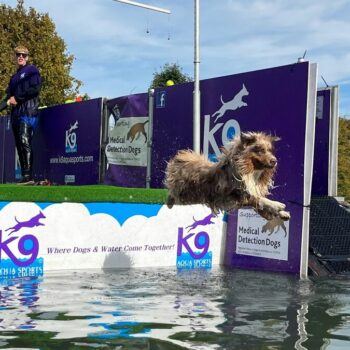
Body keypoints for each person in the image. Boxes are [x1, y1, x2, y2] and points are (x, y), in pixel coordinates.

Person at [4, 45, 42, 185]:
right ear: (14, 57)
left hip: (28, 112)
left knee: (25, 141)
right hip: (15, 115)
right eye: (18, 54)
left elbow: (35, 89)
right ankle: (24, 176)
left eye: (24, 55)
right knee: (19, 145)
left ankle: (28, 176)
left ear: (27, 57)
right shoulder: (13, 77)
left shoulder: (32, 70)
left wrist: (17, 98)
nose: (21, 57)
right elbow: (7, 99)